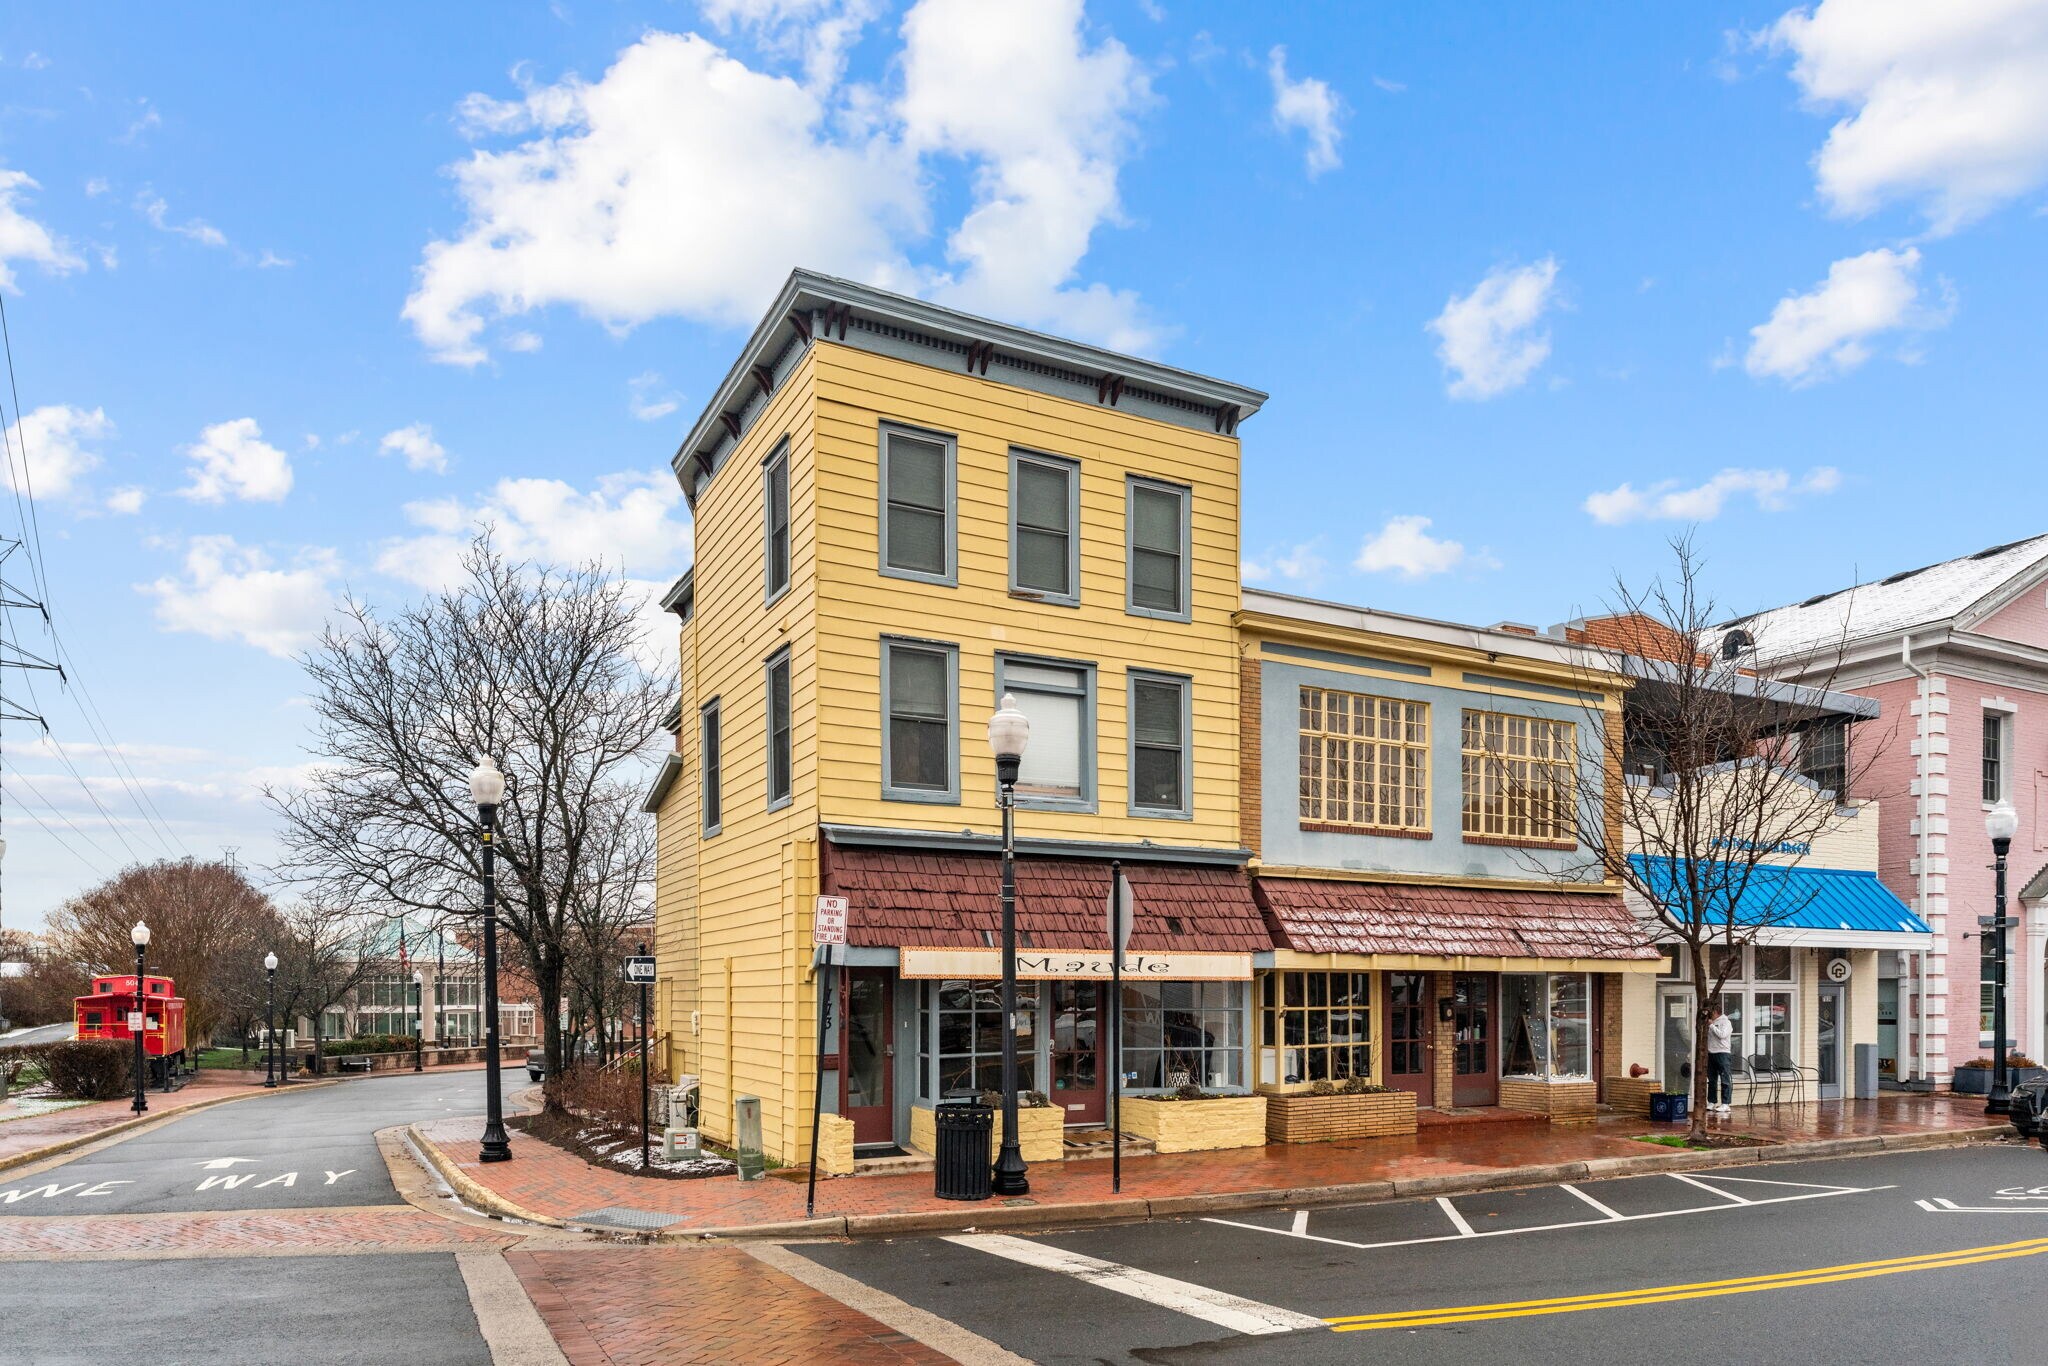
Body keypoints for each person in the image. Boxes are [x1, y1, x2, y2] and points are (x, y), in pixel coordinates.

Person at [1705, 1003, 1734, 1116]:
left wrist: (1712, 1026)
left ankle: (1726, 1103)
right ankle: (1712, 1101)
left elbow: (1722, 1035)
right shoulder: (1711, 1022)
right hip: (1711, 1052)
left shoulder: (1725, 1022)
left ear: (1715, 1012)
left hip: (1722, 1053)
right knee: (1712, 1079)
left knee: (1724, 1078)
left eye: (1711, 1013)